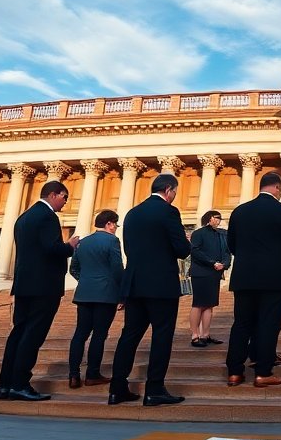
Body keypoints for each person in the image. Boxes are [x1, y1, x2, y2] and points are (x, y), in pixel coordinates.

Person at [108, 173, 191, 407]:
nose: (174, 196)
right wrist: (186, 241)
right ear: (168, 190)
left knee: (129, 335)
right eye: (175, 192)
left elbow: (129, 249)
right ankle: (154, 389)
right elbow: (182, 250)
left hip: (135, 283)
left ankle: (117, 388)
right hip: (161, 284)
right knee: (162, 335)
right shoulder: (168, 212)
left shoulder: (132, 213)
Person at [0, 181, 79, 402]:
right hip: (44, 286)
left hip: (25, 285)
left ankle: (6, 385)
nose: (65, 202)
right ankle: (20, 384)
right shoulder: (48, 217)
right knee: (33, 336)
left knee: (18, 333)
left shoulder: (24, 217)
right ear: (52, 195)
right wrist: (70, 246)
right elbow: (51, 248)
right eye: (64, 197)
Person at [226, 172, 281, 388]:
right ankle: (263, 372)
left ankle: (234, 372)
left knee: (241, 324)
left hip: (244, 277)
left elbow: (231, 243)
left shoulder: (240, 211)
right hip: (275, 278)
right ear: (277, 188)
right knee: (269, 324)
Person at [68, 209, 122, 389]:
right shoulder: (112, 240)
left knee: (80, 334)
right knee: (99, 335)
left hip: (84, 293)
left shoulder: (82, 242)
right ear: (109, 223)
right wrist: (122, 291)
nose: (116, 228)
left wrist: (85, 281)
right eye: (115, 224)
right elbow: (117, 268)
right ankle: (92, 374)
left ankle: (73, 374)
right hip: (106, 294)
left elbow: (73, 269)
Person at [188, 210, 231, 348]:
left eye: (219, 218)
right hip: (201, 272)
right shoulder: (198, 233)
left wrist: (224, 264)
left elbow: (227, 251)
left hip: (215, 273)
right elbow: (195, 251)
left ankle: (205, 335)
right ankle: (195, 335)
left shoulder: (222, 234)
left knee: (209, 304)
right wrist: (212, 262)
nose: (218, 220)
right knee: (198, 304)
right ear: (209, 218)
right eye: (216, 218)